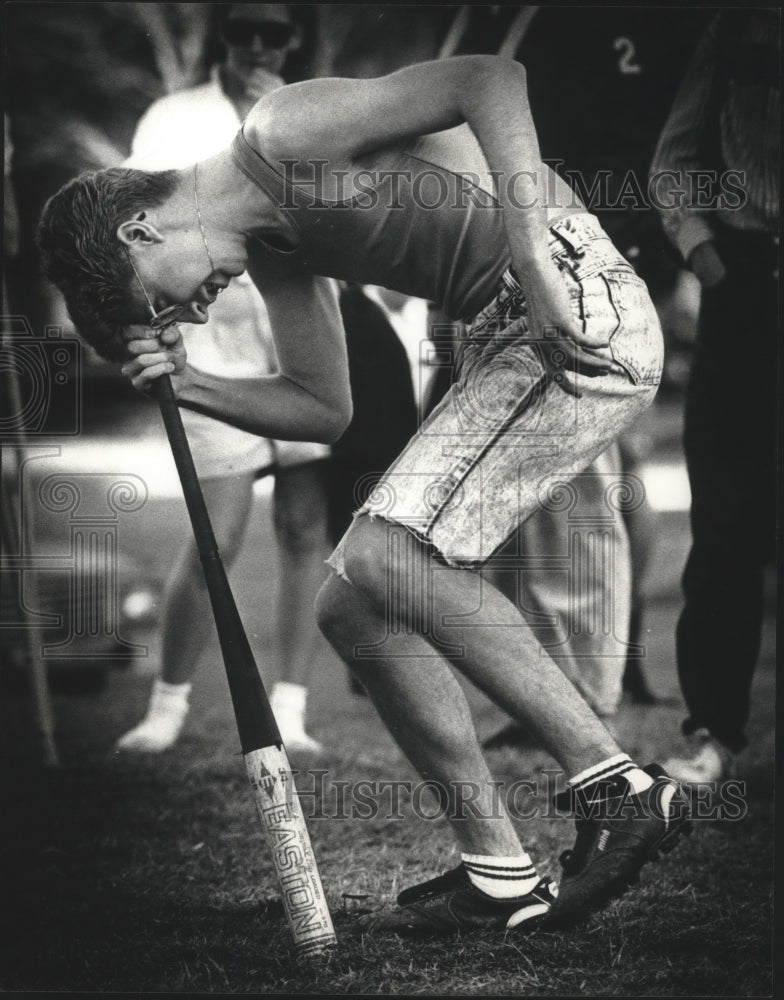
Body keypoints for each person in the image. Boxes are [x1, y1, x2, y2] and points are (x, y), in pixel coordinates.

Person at [38, 54, 692, 935]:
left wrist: (533, 255)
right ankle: (498, 870)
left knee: (391, 554)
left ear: (138, 233)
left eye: (162, 309)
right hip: (505, 334)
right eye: (174, 328)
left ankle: (618, 788)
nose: (190, 318)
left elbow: (490, 78)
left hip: (573, 304)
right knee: (351, 601)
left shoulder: (283, 132)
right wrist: (187, 383)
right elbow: (323, 411)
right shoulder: (276, 243)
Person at [115, 3, 329, 755]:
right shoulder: (173, 117)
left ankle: (292, 709)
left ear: (294, 38)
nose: (258, 45)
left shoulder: (313, 111)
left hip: (299, 335)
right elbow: (134, 219)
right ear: (224, 35)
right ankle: (167, 707)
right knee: (218, 531)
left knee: (306, 524)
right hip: (204, 337)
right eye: (245, 30)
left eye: (275, 32)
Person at [650, 11, 779, 783]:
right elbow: (673, 162)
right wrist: (709, 259)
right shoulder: (734, 27)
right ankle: (713, 734)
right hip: (749, 287)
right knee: (727, 519)